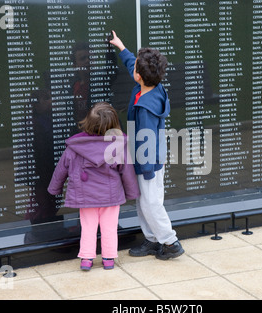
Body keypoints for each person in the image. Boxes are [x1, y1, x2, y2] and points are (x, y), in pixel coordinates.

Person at [109, 31, 185, 260]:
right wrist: (122, 48)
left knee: (151, 202)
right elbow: (135, 63)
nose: (133, 70)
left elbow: (147, 141)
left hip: (148, 161)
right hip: (144, 159)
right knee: (143, 202)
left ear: (139, 77)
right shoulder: (153, 85)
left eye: (135, 70)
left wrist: (147, 169)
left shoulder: (146, 109)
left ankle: (171, 242)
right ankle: (153, 240)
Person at [47, 102, 140, 271]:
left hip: (85, 197)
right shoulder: (118, 146)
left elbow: (61, 169)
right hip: (110, 197)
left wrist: (54, 189)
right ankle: (108, 258)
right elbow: (127, 170)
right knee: (109, 227)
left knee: (88, 227)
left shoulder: (75, 147)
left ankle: (87, 259)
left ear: (88, 122)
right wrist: (132, 192)